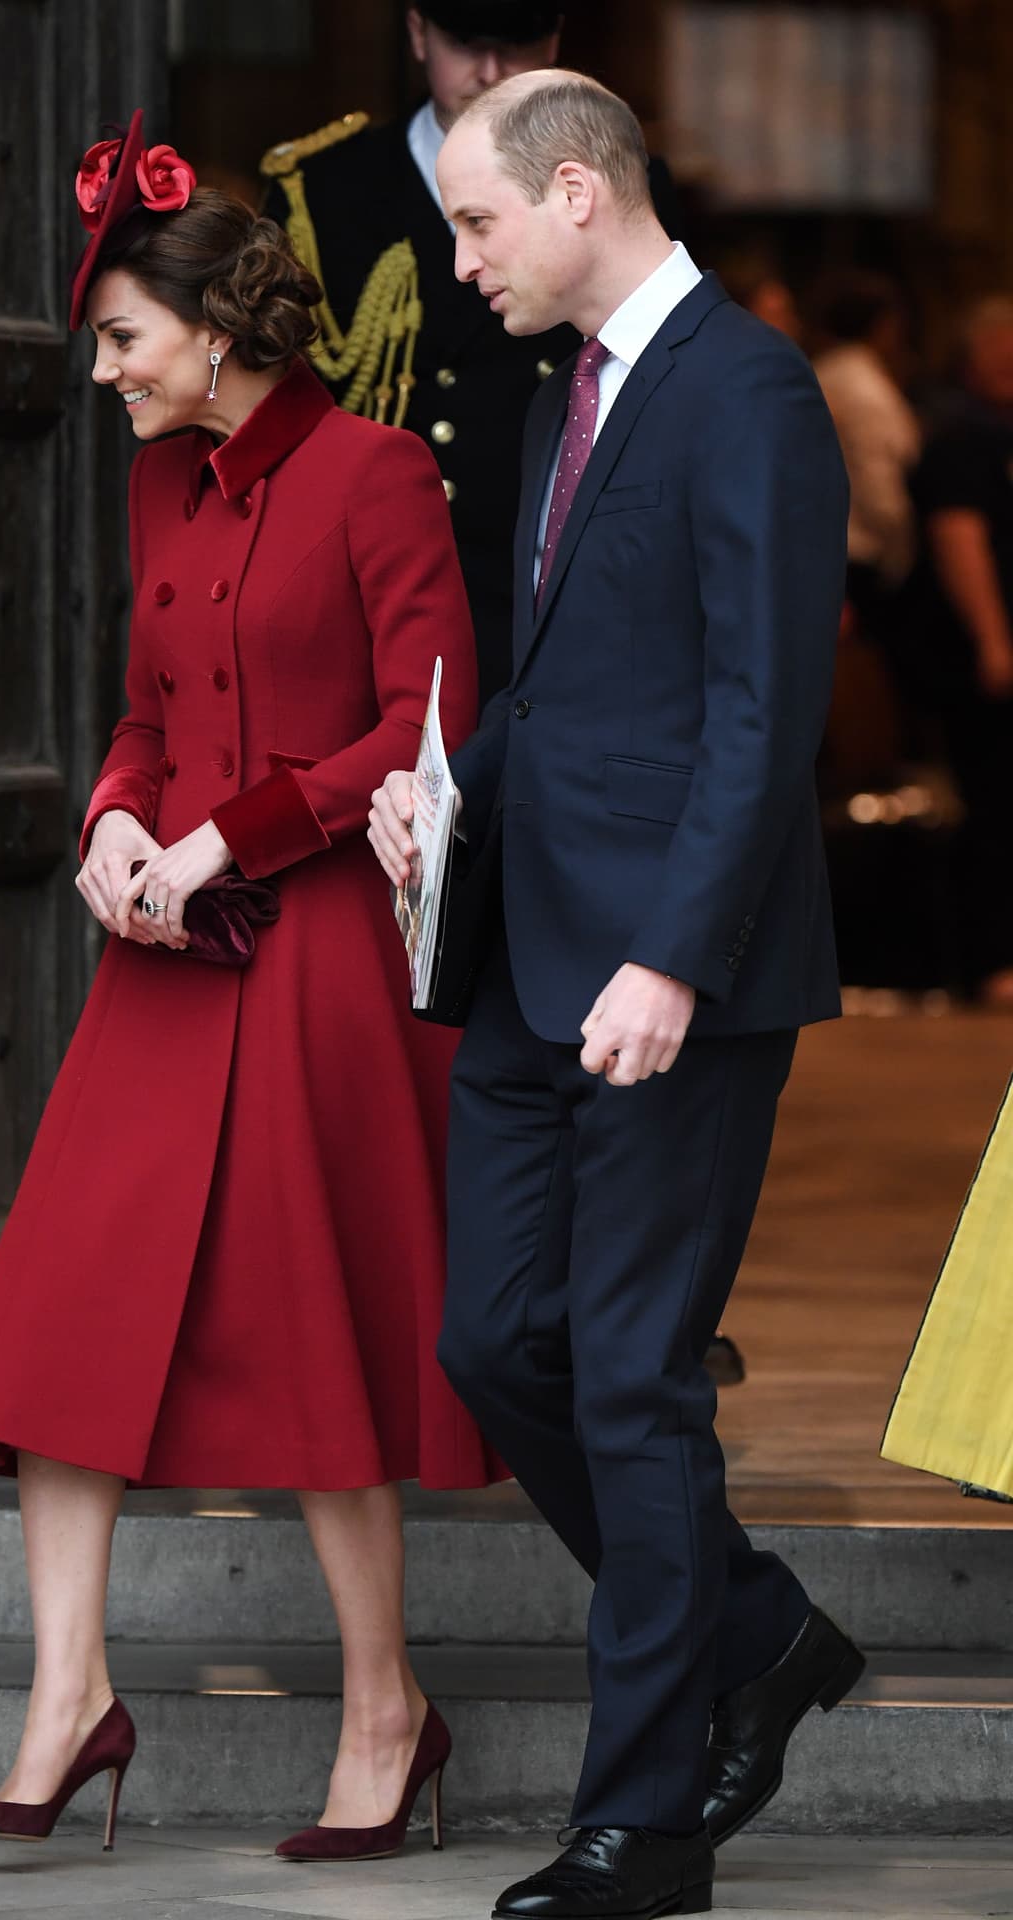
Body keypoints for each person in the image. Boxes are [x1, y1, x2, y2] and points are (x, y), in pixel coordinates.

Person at [0, 110, 501, 1859]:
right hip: (165, 959)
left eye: (119, 339)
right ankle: (66, 1706)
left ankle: (388, 1711)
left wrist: (228, 841)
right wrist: (114, 821)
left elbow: (429, 729)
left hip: (316, 956)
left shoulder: (381, 473)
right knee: (52, 1319)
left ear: (218, 329)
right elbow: (145, 713)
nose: (99, 372)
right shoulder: (156, 478)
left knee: (313, 1341)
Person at [370, 71, 863, 1918]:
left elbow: (760, 714)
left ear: (578, 194)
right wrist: (452, 786)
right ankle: (758, 1630)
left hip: (672, 974)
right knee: (498, 1341)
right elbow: (571, 691)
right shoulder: (564, 392)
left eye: (480, 227)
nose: (464, 261)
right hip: (526, 960)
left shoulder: (751, 394)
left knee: (636, 1379)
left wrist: (672, 952)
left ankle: (644, 1826)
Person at [261, 3, 683, 705]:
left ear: (555, 37)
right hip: (375, 597)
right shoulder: (321, 188)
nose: (490, 73)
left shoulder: (622, 184)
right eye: (466, 42)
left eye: (517, 43)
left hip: (546, 597)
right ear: (419, 31)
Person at [907, 296, 1013, 1009]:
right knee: (997, 807)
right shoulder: (964, 438)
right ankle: (996, 961)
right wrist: (993, 640)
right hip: (985, 659)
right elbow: (958, 542)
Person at [811, 270, 921, 634]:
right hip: (860, 553)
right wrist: (905, 550)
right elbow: (878, 481)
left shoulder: (822, 371)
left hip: (830, 543)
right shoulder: (862, 387)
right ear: (884, 324)